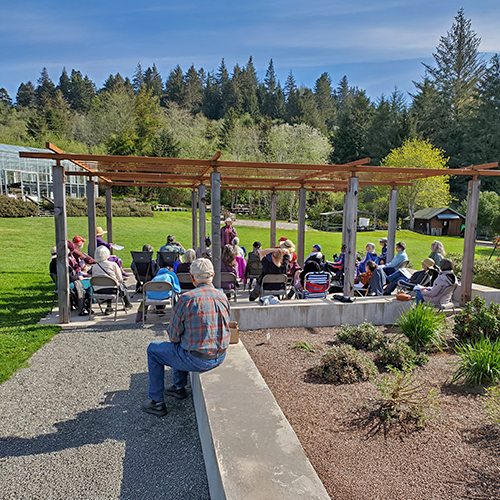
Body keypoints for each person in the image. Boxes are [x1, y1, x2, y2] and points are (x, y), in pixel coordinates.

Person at [141, 258, 231, 417]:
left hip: (198, 359)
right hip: (220, 355)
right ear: (213, 275)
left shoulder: (186, 299)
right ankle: (177, 387)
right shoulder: (222, 296)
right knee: (182, 344)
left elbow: (174, 336)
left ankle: (157, 402)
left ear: (192, 278)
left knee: (154, 350)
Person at [91, 245, 132, 315]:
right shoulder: (113, 264)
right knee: (121, 285)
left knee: (109, 284)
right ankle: (127, 304)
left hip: (98, 290)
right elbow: (120, 279)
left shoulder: (94, 267)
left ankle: (109, 306)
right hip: (112, 289)